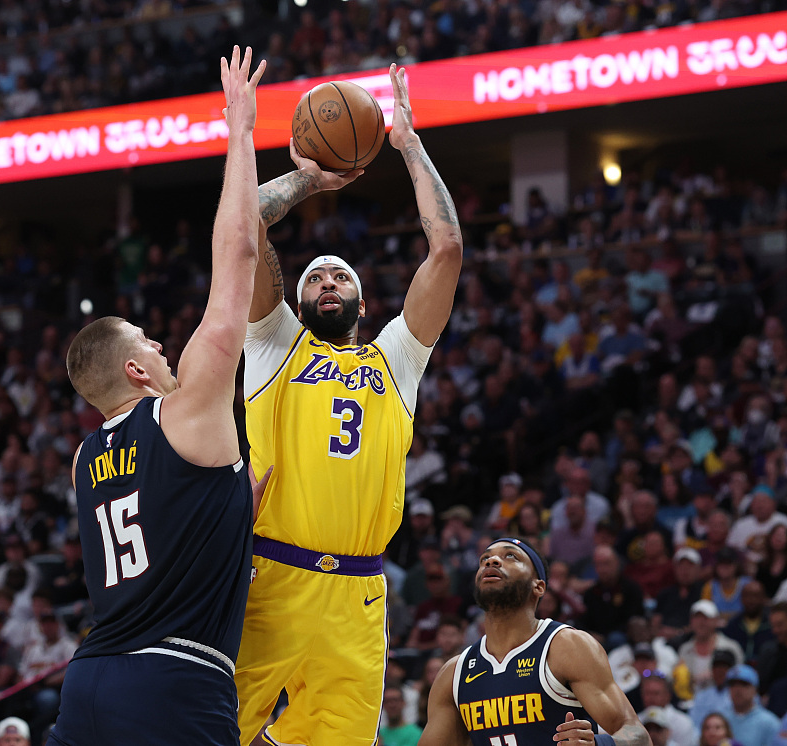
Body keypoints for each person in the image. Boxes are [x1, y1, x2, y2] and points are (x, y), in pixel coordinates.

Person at [234, 63, 464, 746]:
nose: (327, 279)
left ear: (363, 299)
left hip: (359, 596)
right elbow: (244, 228)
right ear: (298, 302)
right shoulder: (276, 345)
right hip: (269, 578)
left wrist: (409, 146)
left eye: (340, 274)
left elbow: (447, 248)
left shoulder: (395, 360)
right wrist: (311, 177)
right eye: (314, 277)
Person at [47, 47, 267, 746]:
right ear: (138, 374)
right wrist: (240, 131)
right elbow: (238, 257)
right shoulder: (189, 407)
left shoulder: (85, 460)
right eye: (150, 343)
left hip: (87, 681)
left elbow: (164, 519)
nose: (165, 348)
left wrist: (232, 513)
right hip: (173, 681)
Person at [420, 538, 649, 745]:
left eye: (510, 556)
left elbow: (638, 736)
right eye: (485, 559)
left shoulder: (567, 647)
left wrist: (600, 745)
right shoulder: (454, 674)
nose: (492, 561)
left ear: (538, 587)